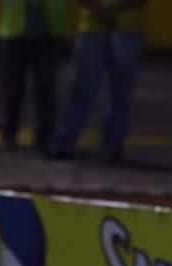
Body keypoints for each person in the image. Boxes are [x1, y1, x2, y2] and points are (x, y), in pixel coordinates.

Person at [49, 0, 149, 163]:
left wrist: (103, 11)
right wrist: (110, 11)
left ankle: (72, 142)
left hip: (106, 28)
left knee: (111, 92)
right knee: (95, 90)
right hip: (116, 29)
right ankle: (107, 145)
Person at [0, 0, 66, 152]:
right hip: (15, 32)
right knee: (12, 87)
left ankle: (44, 136)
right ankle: (9, 132)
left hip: (48, 33)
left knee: (45, 88)